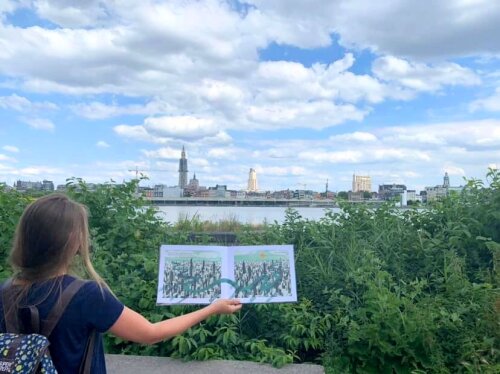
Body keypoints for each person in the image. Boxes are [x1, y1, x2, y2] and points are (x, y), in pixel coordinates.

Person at [0, 194, 241, 373]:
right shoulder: (86, 295)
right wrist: (213, 308)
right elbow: (151, 333)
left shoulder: (5, 292)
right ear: (73, 241)